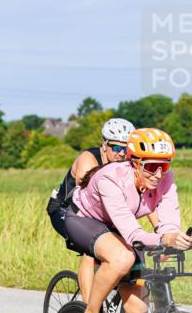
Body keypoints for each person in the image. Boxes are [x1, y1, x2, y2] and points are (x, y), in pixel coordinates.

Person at [64, 127, 192, 313]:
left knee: (139, 311)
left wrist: (184, 240)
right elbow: (133, 234)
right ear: (134, 163)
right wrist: (164, 239)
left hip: (121, 226)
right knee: (122, 258)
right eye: (151, 166)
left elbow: (168, 223)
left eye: (165, 166)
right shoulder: (111, 177)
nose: (158, 174)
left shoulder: (165, 178)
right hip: (85, 220)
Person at [47, 117, 134, 300]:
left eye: (126, 149)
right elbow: (86, 200)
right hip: (66, 210)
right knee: (89, 249)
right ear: (104, 145)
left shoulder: (126, 165)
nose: (122, 153)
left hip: (98, 215)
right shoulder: (88, 160)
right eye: (117, 147)